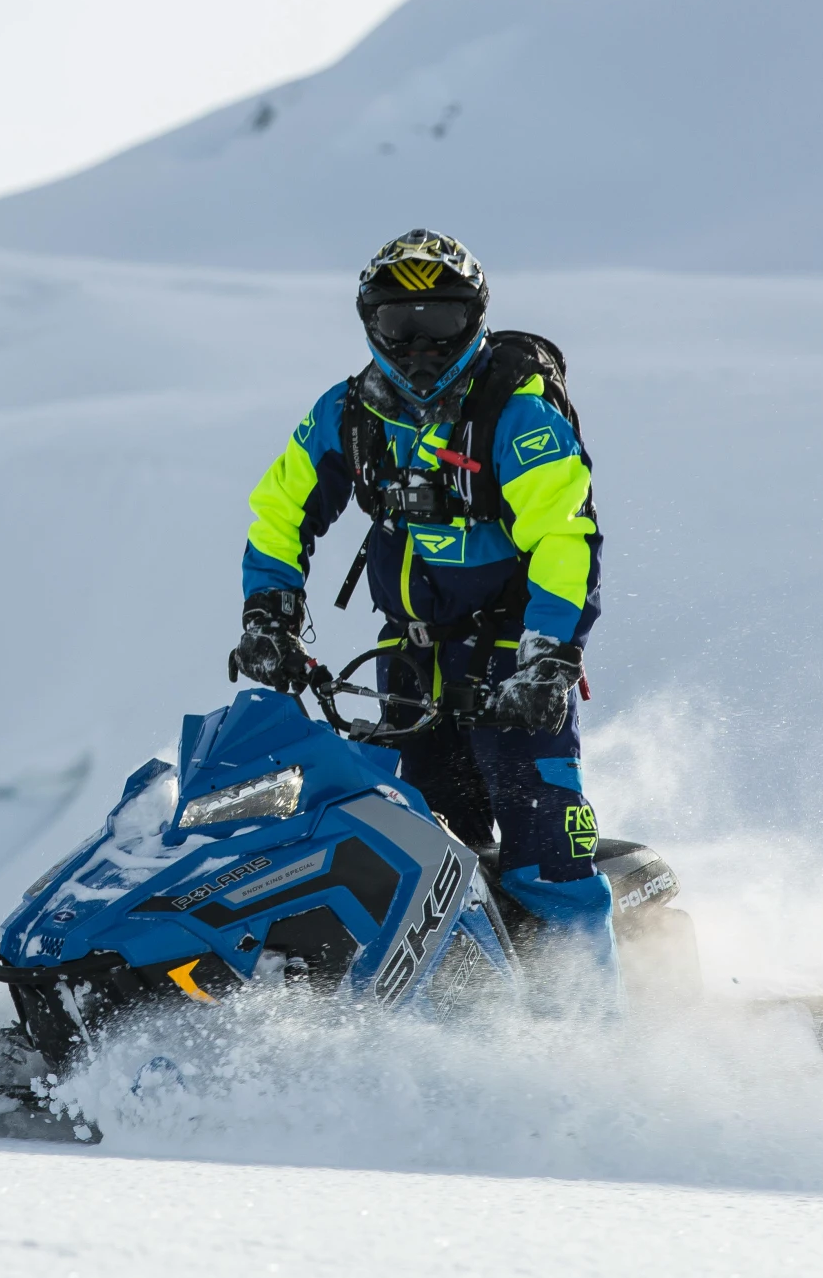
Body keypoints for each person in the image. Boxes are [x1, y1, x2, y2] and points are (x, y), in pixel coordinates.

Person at [228, 228, 617, 1008]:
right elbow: (280, 511)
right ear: (369, 322)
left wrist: (546, 660)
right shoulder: (350, 413)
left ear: (474, 319)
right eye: (398, 324)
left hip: (514, 661)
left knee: (546, 851)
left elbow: (565, 536)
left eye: (439, 322)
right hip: (407, 662)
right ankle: (450, 1020)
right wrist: (269, 615)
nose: (419, 346)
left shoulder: (515, 410)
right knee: (423, 852)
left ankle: (599, 1043)